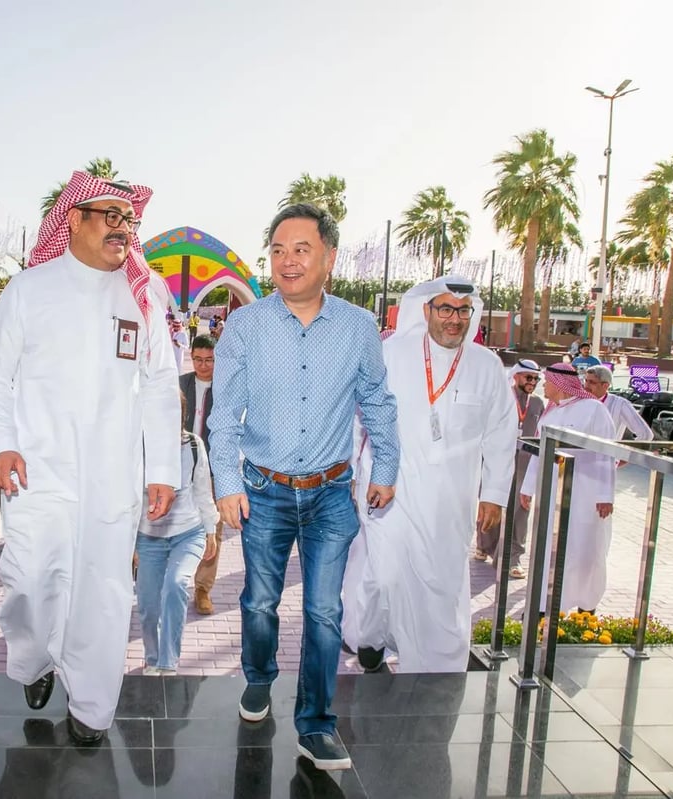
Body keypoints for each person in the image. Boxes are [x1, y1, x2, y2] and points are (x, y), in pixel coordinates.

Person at [0, 172, 179, 747]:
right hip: (36, 472)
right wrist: (0, 442)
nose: (122, 228)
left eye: (127, 218)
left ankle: (91, 705)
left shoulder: (143, 294)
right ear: (72, 220)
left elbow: (161, 384)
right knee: (28, 582)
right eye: (110, 216)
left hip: (113, 476)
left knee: (102, 590)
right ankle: (35, 659)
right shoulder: (29, 289)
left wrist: (163, 469)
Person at [207, 203, 399, 772]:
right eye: (278, 250)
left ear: (329, 257)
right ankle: (259, 676)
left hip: (330, 496)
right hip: (263, 492)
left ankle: (315, 723)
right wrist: (226, 482)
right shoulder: (246, 325)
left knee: (323, 612)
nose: (287, 261)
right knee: (259, 602)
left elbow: (377, 401)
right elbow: (223, 414)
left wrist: (386, 468)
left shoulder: (358, 327)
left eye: (301, 249)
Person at [342, 276, 517, 675]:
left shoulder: (487, 366)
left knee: (441, 581)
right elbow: (355, 416)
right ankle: (372, 636)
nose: (454, 319)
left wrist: (494, 494)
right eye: (446, 309)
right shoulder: (390, 354)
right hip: (390, 489)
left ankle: (437, 665)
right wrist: (348, 471)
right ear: (426, 310)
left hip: (451, 497)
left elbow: (502, 433)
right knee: (383, 575)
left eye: (463, 311)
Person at [519, 364, 617, 613]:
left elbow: (607, 453)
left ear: (560, 383)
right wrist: (528, 488)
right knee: (548, 549)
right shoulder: (550, 413)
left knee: (586, 550)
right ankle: (545, 607)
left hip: (587, 495)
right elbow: (538, 452)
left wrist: (605, 495)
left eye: (547, 381)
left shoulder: (593, 409)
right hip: (552, 493)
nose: (543, 385)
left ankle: (586, 607)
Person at [135, 391, 218, 675]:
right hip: (148, 538)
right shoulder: (138, 448)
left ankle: (168, 663)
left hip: (188, 532)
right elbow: (128, 499)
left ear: (181, 415)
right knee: (147, 605)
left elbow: (203, 490)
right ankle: (152, 659)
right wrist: (129, 544)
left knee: (176, 585)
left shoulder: (193, 445)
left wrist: (210, 530)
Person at [473, 359, 545, 579]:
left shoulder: (537, 403)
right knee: (492, 501)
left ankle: (513, 557)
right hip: (497, 460)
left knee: (521, 509)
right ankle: (485, 546)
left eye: (536, 379)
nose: (532, 382)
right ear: (516, 376)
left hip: (525, 463)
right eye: (528, 377)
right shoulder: (503, 398)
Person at [181, 334, 221, 614]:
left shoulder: (226, 388)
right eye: (198, 359)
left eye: (209, 360)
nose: (203, 365)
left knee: (213, 527)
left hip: (215, 469)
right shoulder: (180, 384)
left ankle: (203, 589)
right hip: (182, 465)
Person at [583, 365, 654, 442]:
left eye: (592, 382)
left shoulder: (620, 405)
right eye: (586, 381)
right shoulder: (579, 401)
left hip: (606, 449)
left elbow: (646, 435)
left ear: (605, 386)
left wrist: (625, 449)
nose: (586, 386)